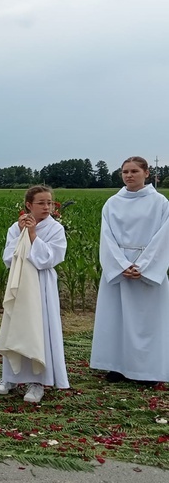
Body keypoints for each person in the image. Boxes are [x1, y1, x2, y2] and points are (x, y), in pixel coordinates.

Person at [90, 156, 169, 385]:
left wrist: (143, 267)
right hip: (120, 268)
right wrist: (122, 265)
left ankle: (147, 371)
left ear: (146, 173)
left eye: (134, 171)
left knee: (147, 323)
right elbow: (106, 237)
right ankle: (117, 367)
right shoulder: (112, 203)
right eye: (125, 171)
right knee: (117, 319)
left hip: (147, 267)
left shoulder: (160, 203)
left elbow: (163, 238)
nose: (129, 175)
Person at [0, 185, 69, 403]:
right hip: (19, 282)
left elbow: (50, 258)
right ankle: (10, 377)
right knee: (15, 326)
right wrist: (21, 234)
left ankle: (37, 381)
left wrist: (33, 235)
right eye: (41, 203)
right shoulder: (14, 228)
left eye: (49, 203)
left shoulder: (55, 229)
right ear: (29, 205)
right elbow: (8, 258)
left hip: (41, 283)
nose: (46, 207)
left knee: (39, 328)